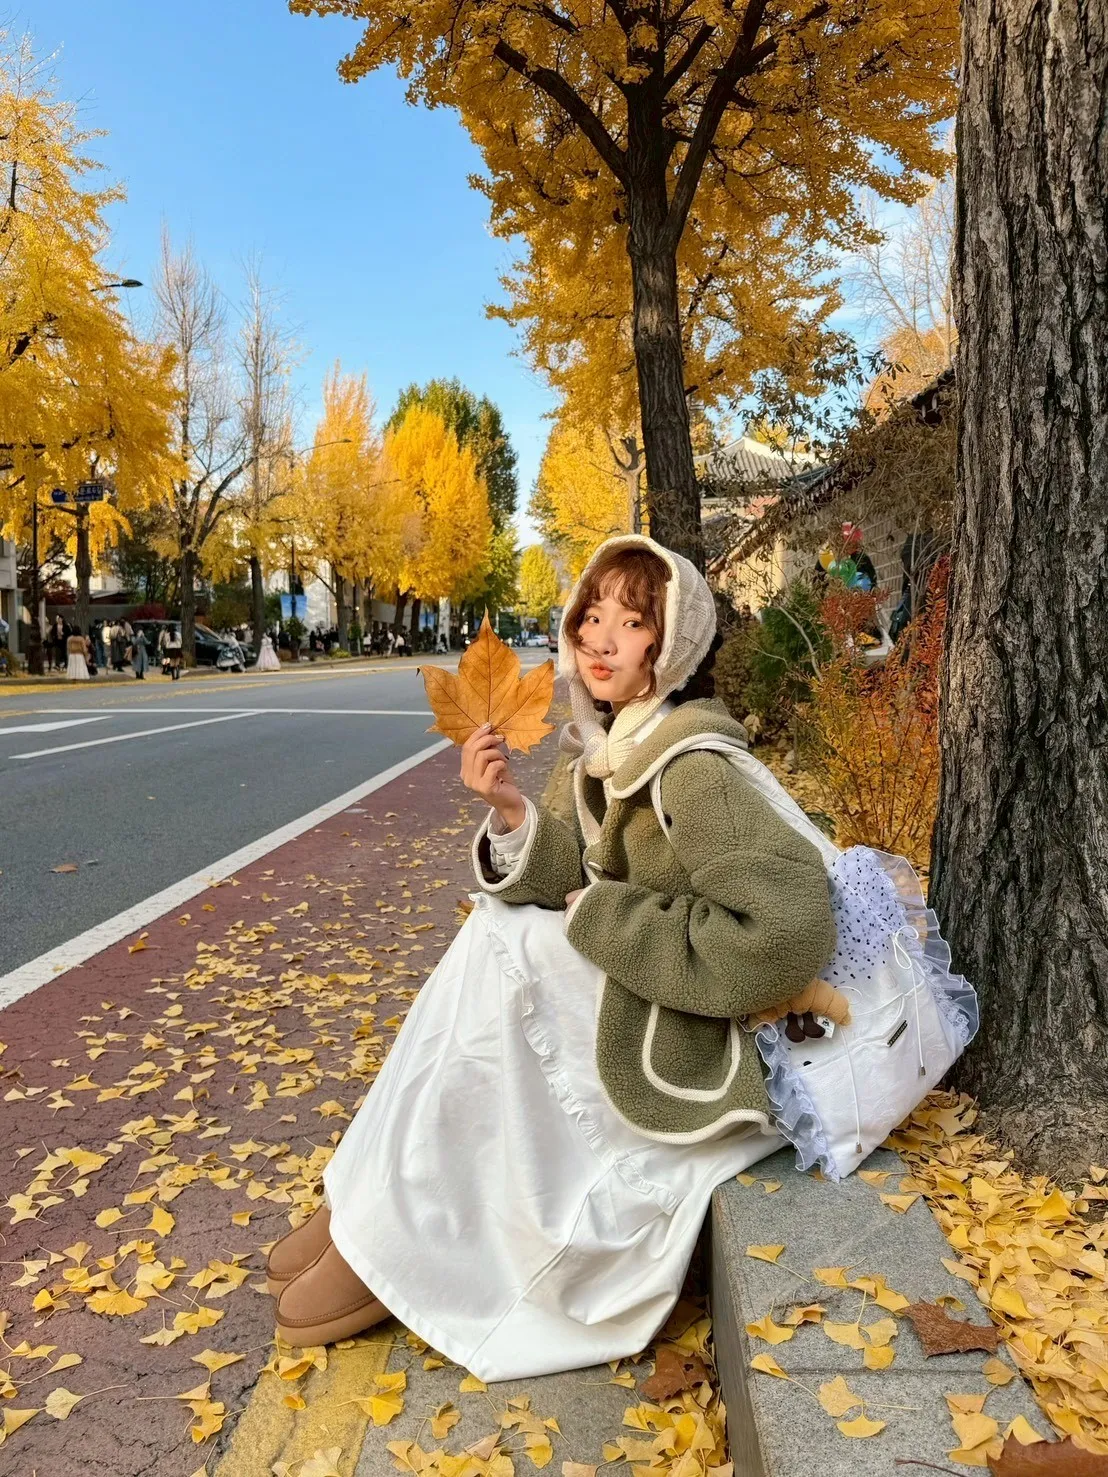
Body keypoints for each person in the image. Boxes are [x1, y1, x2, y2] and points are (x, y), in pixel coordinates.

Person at [263, 534, 847, 1374]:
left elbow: (785, 934)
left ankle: (388, 1234)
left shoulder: (693, 768)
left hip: (701, 1029)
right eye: (591, 615)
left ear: (672, 644)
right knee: (494, 934)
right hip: (643, 987)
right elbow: (568, 870)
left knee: (507, 950)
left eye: (633, 622)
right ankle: (365, 1198)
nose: (601, 639)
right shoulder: (600, 749)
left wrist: (609, 918)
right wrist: (510, 811)